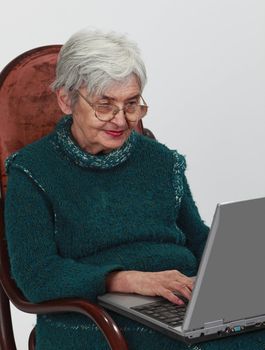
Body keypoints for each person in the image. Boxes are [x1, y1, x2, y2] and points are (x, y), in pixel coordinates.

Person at [4, 29, 265, 350]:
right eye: (105, 104)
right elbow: (36, 277)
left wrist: (239, 270)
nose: (121, 119)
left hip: (177, 300)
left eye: (131, 104)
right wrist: (126, 279)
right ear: (66, 99)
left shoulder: (161, 161)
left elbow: (198, 239)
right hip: (88, 314)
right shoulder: (32, 170)